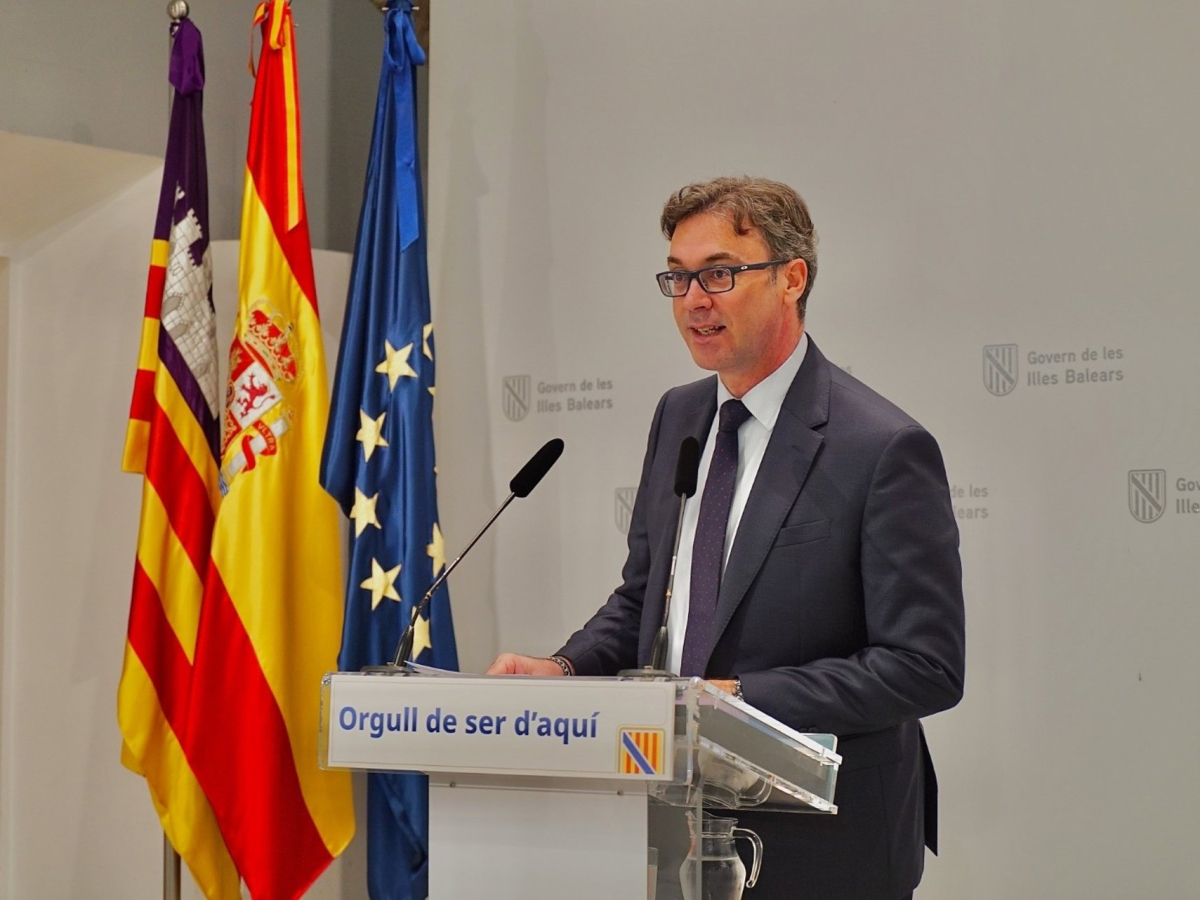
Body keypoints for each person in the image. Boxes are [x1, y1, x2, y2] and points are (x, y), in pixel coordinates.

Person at [487, 176, 966, 899]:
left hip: (827, 846)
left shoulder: (881, 447)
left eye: (718, 274)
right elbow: (648, 600)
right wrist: (564, 668)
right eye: (677, 278)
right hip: (674, 831)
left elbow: (924, 665)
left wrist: (738, 699)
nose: (693, 301)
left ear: (791, 279)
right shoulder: (680, 416)